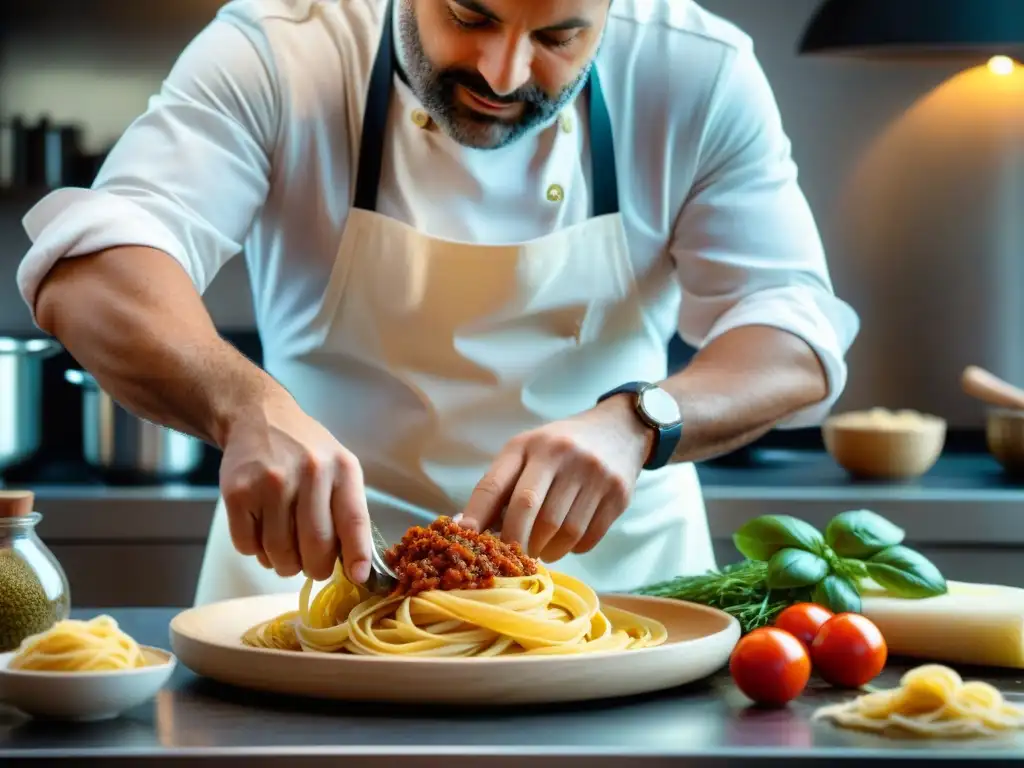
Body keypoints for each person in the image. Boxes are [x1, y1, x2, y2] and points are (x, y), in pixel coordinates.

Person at [16, 0, 859, 606]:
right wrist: (245, 408)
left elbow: (791, 331)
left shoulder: (699, 70)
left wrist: (644, 420)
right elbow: (92, 269)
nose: (506, 72)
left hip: (617, 598)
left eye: (562, 36)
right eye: (470, 16)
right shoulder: (278, 46)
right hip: (317, 594)